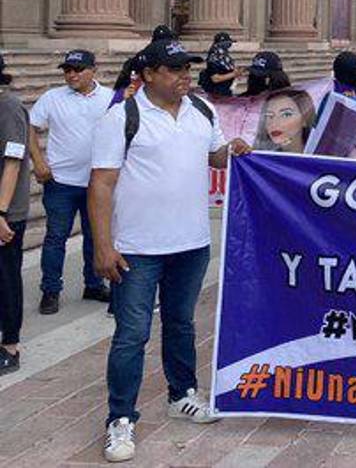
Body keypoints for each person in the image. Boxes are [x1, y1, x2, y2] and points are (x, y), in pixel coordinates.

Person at [89, 39, 251, 461]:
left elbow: (214, 157)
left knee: (181, 324)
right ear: (148, 75)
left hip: (191, 243)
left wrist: (231, 152)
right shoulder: (121, 118)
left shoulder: (201, 110)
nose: (184, 76)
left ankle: (182, 395)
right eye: (174, 69)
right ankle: (120, 418)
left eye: (186, 68)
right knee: (131, 335)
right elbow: (102, 183)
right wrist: (103, 246)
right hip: (137, 248)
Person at [28, 49, 113, 315]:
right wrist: (39, 162)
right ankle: (50, 290)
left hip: (96, 182)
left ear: (93, 70)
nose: (72, 75)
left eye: (78, 70)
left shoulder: (110, 98)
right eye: (67, 70)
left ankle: (94, 284)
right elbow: (30, 128)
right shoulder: (52, 98)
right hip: (60, 182)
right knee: (56, 238)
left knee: (94, 236)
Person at [0, 54, 33, 375]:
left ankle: (10, 345)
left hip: (7, 209)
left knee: (6, 277)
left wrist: (1, 212)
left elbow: (13, 160)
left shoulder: (8, 107)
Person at [253, 89, 316, 153]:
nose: (274, 123)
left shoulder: (320, 155)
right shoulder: (260, 157)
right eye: (269, 116)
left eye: (286, 115)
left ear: (304, 119)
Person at [198, 32, 240, 97]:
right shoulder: (213, 59)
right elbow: (215, 78)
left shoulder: (225, 58)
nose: (229, 45)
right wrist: (234, 74)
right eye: (227, 43)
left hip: (226, 91)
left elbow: (228, 69)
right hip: (217, 93)